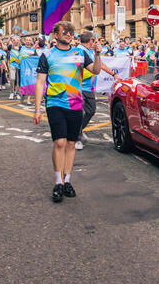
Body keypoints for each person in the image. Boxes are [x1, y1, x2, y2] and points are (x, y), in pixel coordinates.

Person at [33, 21, 102, 202]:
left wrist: (98, 54)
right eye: (64, 32)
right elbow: (40, 82)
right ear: (55, 35)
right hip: (55, 103)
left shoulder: (80, 53)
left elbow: (95, 70)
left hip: (75, 104)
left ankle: (68, 181)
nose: (68, 34)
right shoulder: (47, 55)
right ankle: (58, 182)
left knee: (71, 144)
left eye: (71, 32)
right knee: (60, 143)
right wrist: (37, 109)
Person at [77, 30, 116, 150]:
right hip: (79, 87)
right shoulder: (79, 51)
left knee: (91, 111)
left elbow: (100, 65)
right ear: (91, 41)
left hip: (89, 88)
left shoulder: (89, 51)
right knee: (80, 113)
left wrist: (113, 74)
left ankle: (78, 130)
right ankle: (76, 137)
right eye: (95, 40)